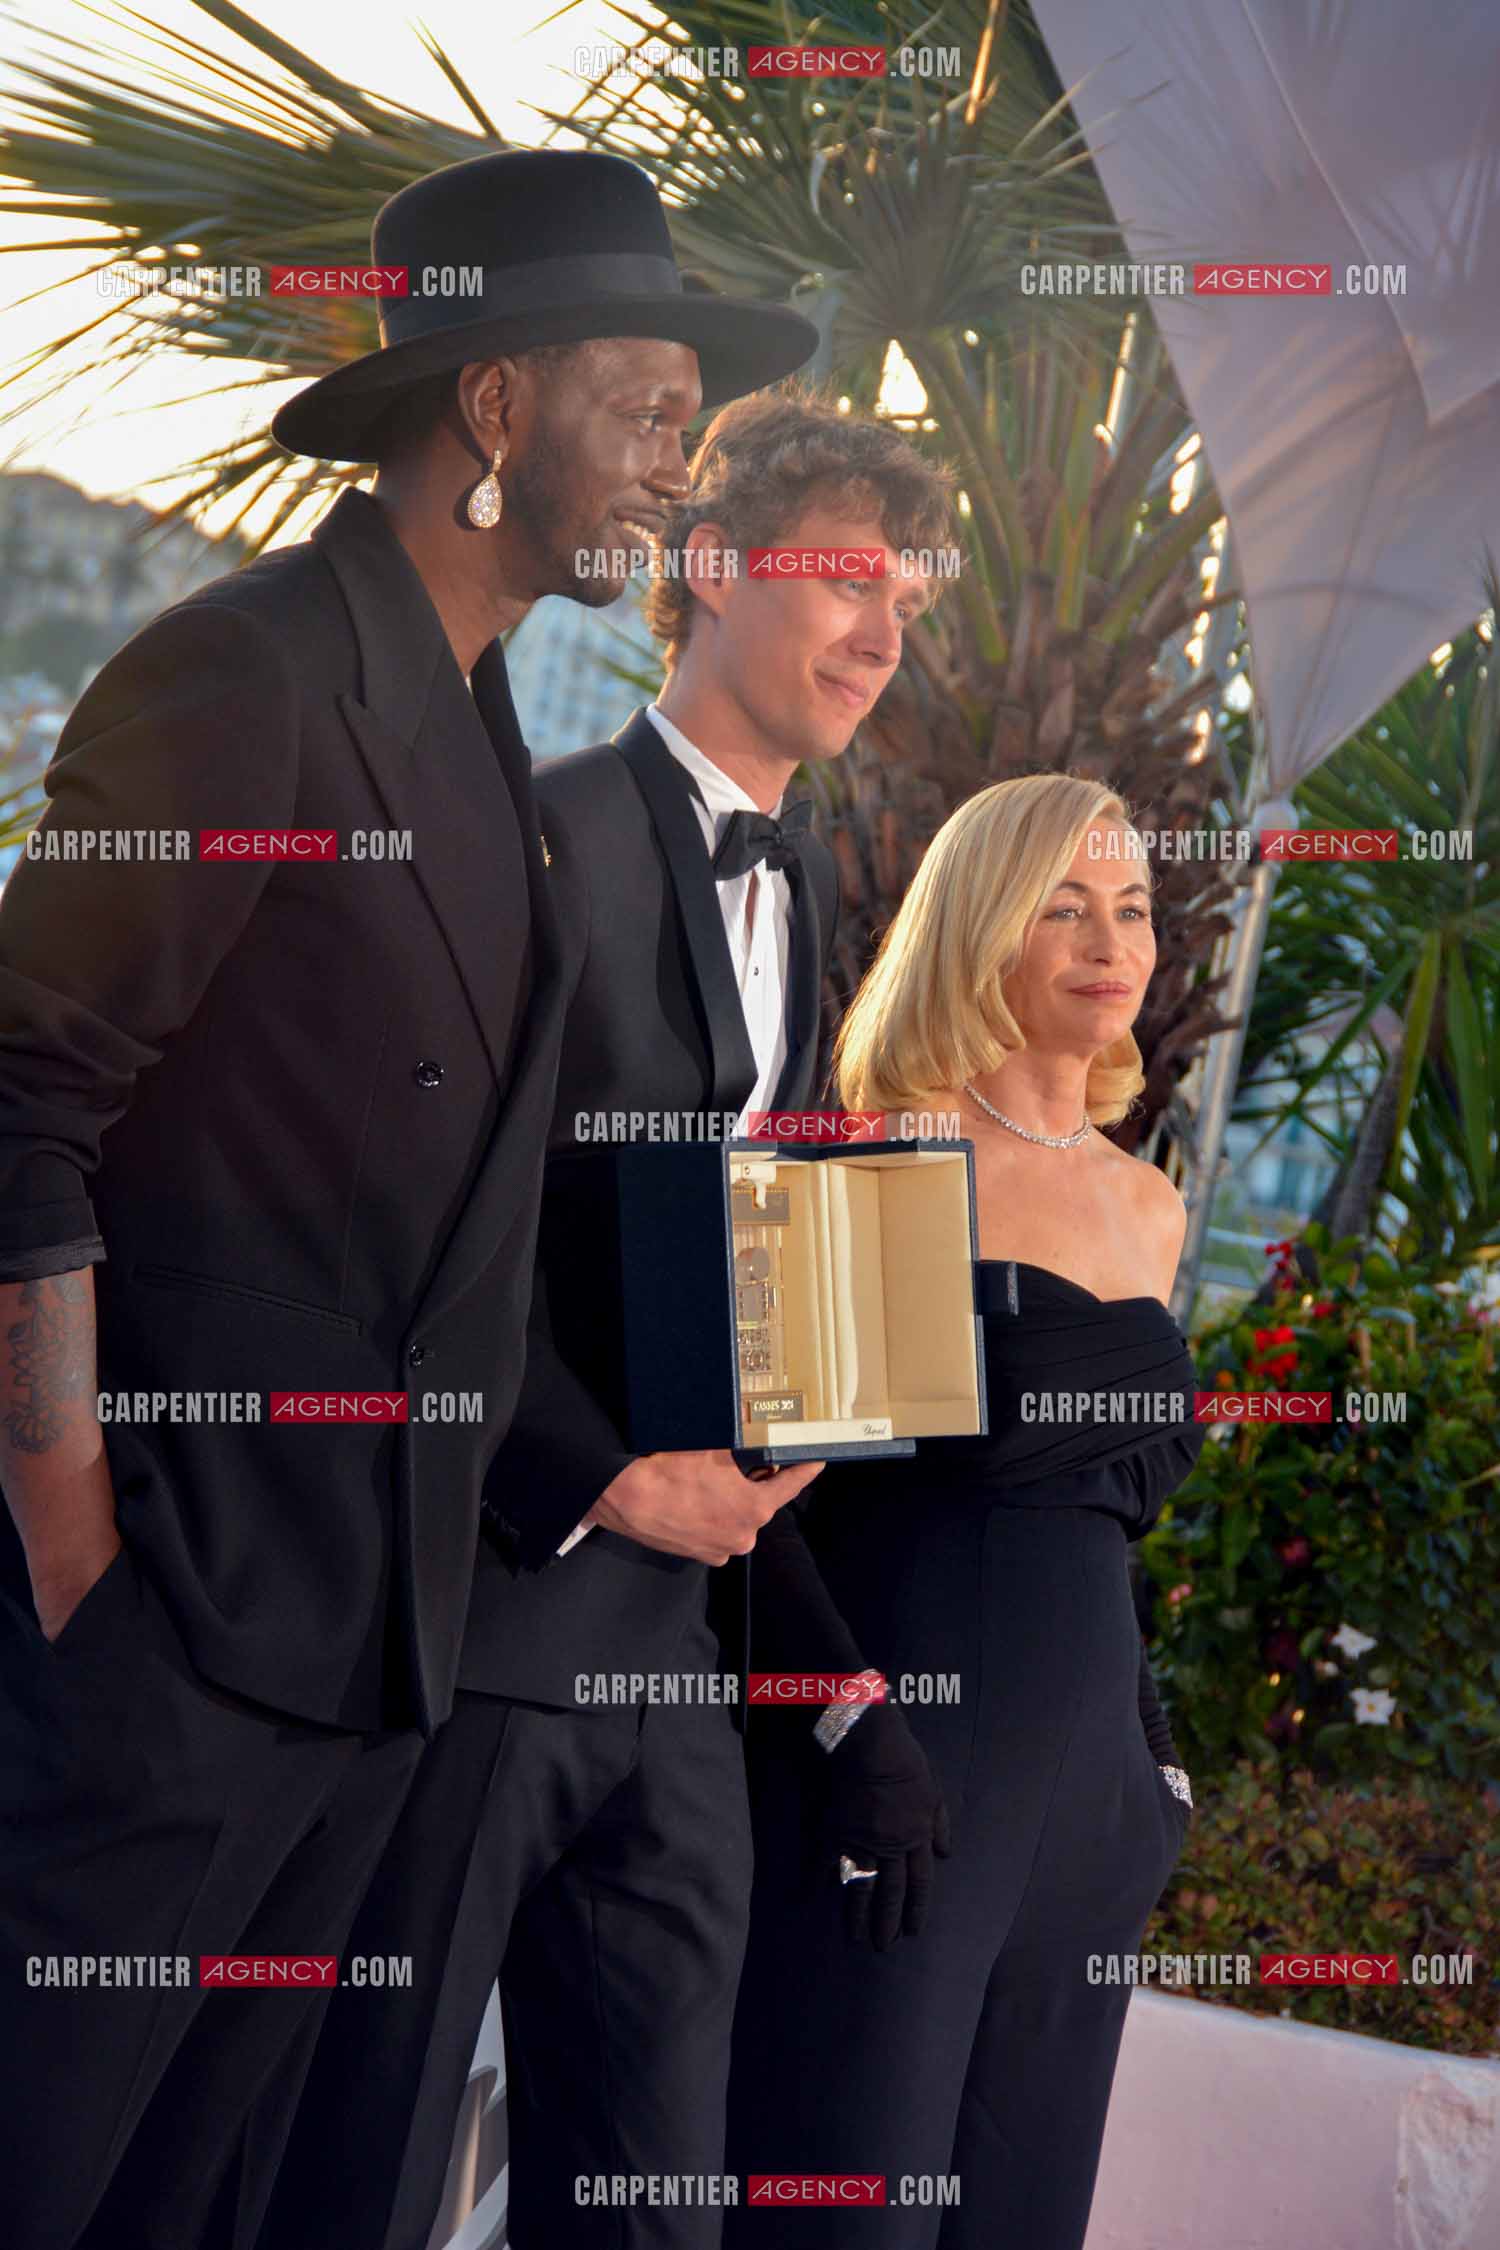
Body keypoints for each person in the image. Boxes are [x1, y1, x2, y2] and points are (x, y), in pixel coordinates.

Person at [0, 146, 814, 2250]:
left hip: (374, 1667)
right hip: (170, 1633)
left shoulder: (482, 742)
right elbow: (20, 1096)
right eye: (645, 410)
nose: (668, 471)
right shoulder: (250, 673)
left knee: (191, 2207)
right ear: (494, 409)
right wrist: (80, 1538)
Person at [264, 383, 959, 2250]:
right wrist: (603, 1476)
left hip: (683, 1680)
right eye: (843, 580)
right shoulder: (540, 832)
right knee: (371, 2161)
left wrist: (824, 1663)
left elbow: (762, 1295)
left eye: (908, 597)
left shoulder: (807, 886)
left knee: (654, 2196)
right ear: (713, 570)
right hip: (481, 1626)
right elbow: (410, 1236)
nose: (885, 634)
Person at [725, 773, 1206, 2249]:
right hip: (905, 1784)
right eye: (1061, 902)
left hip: (1096, 1812)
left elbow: (1107, 1525)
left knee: (1022, 2208)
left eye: (1129, 905)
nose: (1107, 937)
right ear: (978, 926)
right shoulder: (875, 1146)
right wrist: (848, 1729)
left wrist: (1158, 1758)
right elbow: (760, 1514)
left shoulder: (1153, 1203)